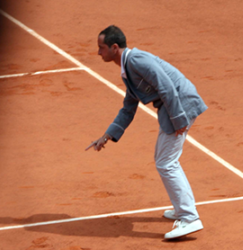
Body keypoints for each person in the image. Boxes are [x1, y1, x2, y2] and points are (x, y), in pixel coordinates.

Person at [90, 25, 208, 239]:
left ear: (114, 48)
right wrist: (106, 136)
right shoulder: (128, 68)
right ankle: (183, 210)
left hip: (180, 105)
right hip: (175, 106)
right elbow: (128, 108)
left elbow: (166, 87)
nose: (98, 52)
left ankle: (190, 218)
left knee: (166, 162)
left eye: (101, 48)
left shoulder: (136, 61)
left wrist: (179, 119)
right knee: (164, 160)